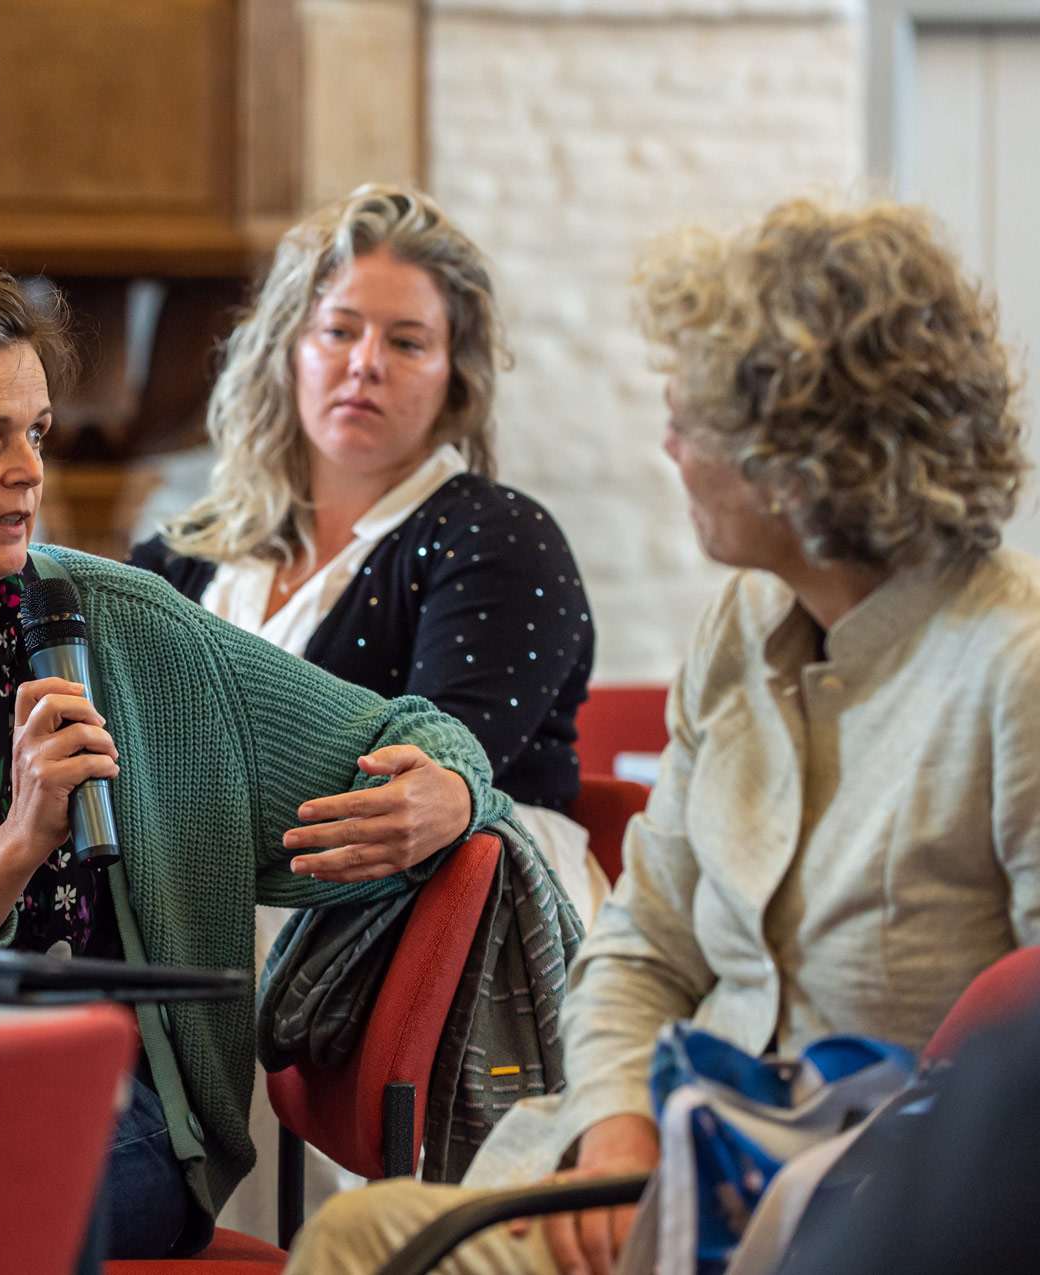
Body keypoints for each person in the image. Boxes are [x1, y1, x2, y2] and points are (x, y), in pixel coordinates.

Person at [0, 224, 533, 1259]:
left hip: (116, 1114)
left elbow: (414, 732)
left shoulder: (125, 627)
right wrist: (12, 850)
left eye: (36, 431)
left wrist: (451, 790)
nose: (29, 472)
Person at [280, 196, 1040, 1275]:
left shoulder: (1013, 667)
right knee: (359, 1235)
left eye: (694, 420)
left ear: (800, 459)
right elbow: (643, 944)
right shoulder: (745, 627)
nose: (670, 447)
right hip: (666, 1162)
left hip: (880, 1210)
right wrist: (616, 1123)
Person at [131, 186, 602, 920]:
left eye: (407, 342)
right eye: (339, 330)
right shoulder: (179, 555)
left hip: (438, 934)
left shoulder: (499, 537)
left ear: (456, 376)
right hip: (201, 914)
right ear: (288, 349)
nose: (366, 364)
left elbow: (434, 778)